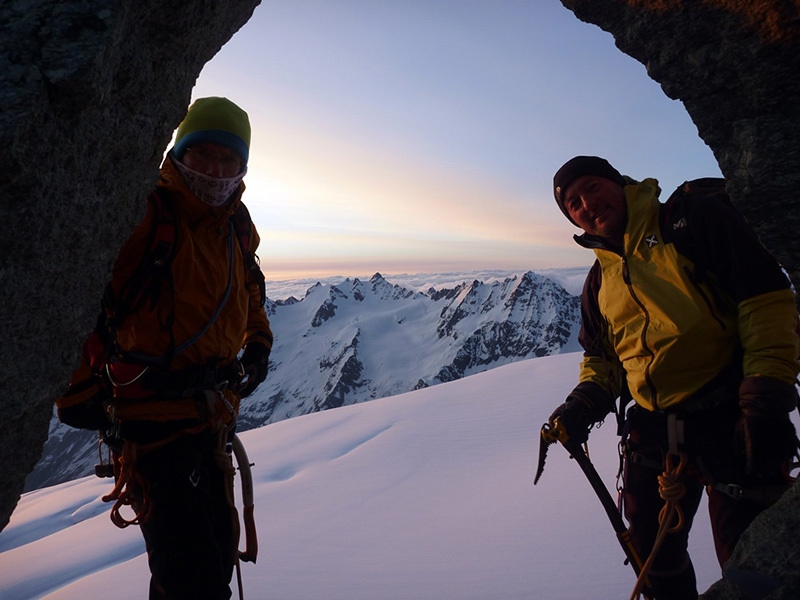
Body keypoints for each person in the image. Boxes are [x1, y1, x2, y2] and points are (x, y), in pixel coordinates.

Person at [547, 156, 799, 599]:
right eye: (573, 203)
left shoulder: (689, 223)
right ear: (572, 218)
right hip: (655, 428)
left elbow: (764, 299)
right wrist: (585, 400)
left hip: (731, 412)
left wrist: (765, 387)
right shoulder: (598, 280)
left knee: (750, 552)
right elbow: (604, 360)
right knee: (649, 550)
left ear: (619, 184)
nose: (587, 203)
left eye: (592, 187)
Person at [57, 97, 273, 599]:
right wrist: (76, 394)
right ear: (179, 153)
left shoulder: (237, 226)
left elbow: (250, 292)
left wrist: (257, 343)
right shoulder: (144, 214)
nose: (216, 170)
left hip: (211, 421)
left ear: (243, 167)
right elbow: (78, 297)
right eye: (203, 154)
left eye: (229, 159)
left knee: (215, 558)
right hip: (150, 428)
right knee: (192, 578)